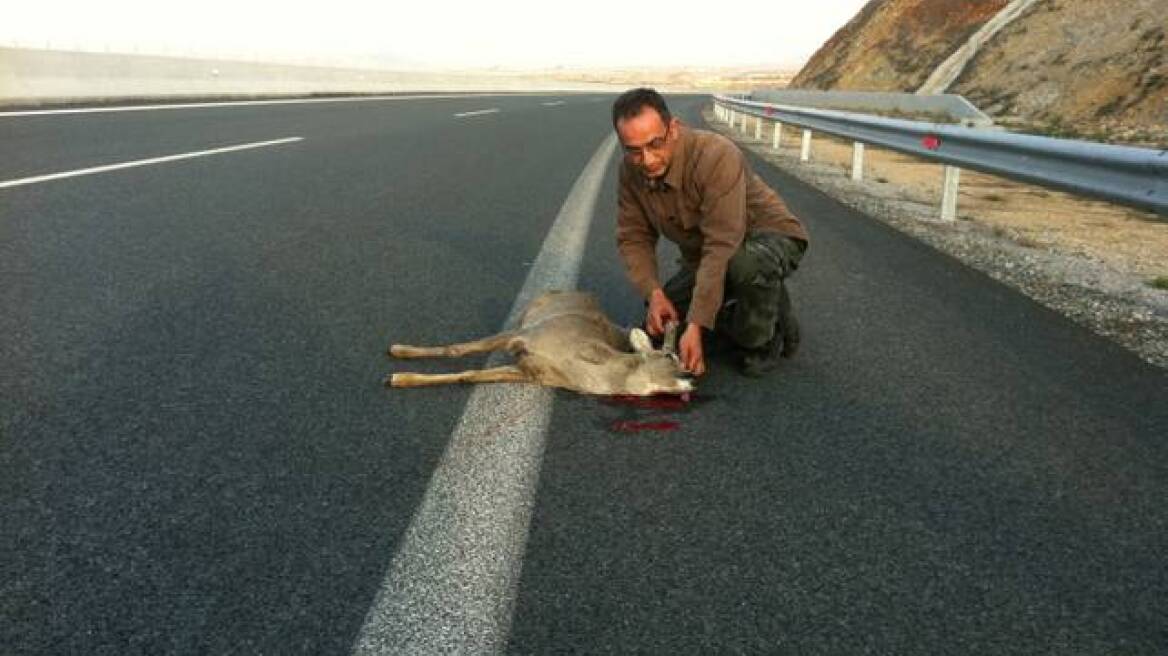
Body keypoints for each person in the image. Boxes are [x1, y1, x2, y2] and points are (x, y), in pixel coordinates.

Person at [613, 87, 809, 377]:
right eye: (634, 150)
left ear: (674, 129)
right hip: (708, 255)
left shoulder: (716, 155)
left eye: (655, 144)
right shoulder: (631, 172)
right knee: (661, 329)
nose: (648, 159)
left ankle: (766, 336)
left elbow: (722, 245)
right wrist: (653, 293)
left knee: (744, 268)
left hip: (765, 238)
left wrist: (698, 325)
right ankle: (743, 308)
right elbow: (634, 236)